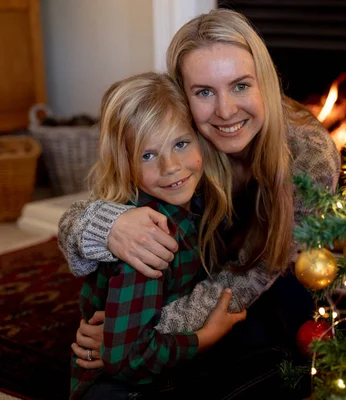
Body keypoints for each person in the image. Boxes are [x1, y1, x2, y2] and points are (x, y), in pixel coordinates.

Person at [61, 8, 340, 398]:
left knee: (276, 336)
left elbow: (258, 274)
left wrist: (134, 332)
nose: (225, 111)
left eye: (241, 85)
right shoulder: (180, 138)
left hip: (268, 283)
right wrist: (109, 224)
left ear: (266, 82)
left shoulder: (309, 153)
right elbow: (80, 223)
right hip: (194, 277)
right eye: (204, 92)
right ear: (182, 97)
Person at [70, 72, 248, 400]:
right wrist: (206, 336)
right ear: (124, 163)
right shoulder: (148, 238)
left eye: (180, 144)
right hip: (123, 386)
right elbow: (126, 358)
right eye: (148, 155)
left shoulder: (196, 199)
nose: (171, 166)